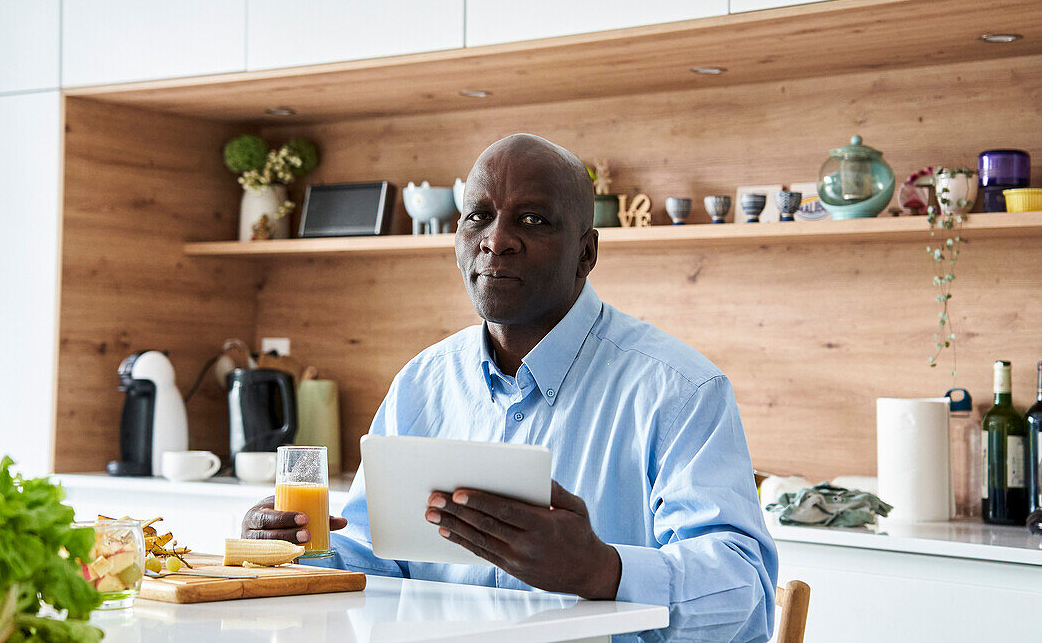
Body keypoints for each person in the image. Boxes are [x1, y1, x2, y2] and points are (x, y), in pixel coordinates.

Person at [243, 133, 778, 642]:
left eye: (532, 220)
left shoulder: (680, 391)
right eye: (478, 216)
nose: (496, 240)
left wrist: (602, 571)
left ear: (586, 254)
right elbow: (372, 559)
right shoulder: (421, 385)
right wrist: (295, 548)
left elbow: (747, 595)